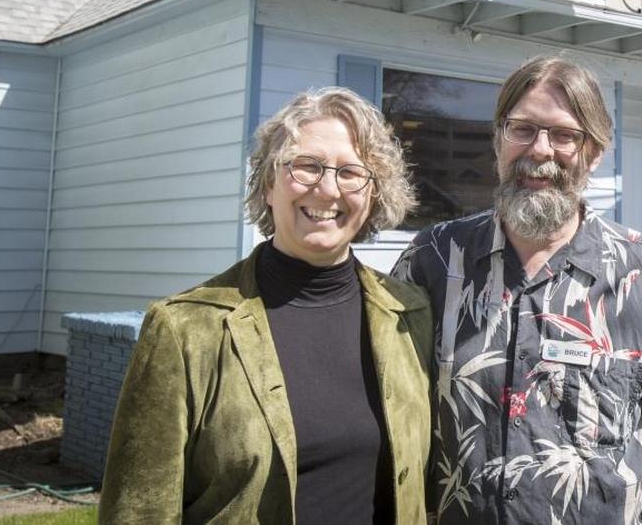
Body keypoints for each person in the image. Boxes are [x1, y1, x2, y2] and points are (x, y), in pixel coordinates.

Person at [393, 55, 642, 525]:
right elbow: (390, 433)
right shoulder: (432, 260)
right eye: (522, 129)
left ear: (594, 151)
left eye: (565, 134)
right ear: (498, 138)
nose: (541, 150)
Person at [100, 87, 432, 524]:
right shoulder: (185, 329)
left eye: (351, 173)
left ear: (373, 194)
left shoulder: (407, 314)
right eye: (307, 166)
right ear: (270, 181)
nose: (327, 188)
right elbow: (138, 511)